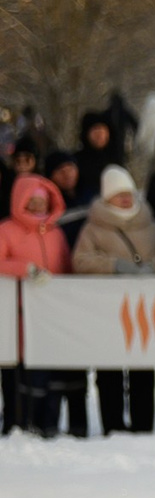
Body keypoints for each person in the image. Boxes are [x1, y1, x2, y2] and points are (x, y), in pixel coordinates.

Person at [72, 166, 155, 432]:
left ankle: (143, 425)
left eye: (128, 193)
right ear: (107, 198)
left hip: (145, 311)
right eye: (119, 195)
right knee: (109, 372)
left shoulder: (149, 224)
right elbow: (80, 261)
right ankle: (113, 425)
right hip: (107, 312)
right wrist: (114, 266)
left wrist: (154, 266)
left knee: (143, 370)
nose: (126, 199)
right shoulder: (94, 228)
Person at [1, 172, 72, 432]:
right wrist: (26, 270)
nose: (38, 205)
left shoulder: (56, 234)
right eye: (32, 199)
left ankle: (47, 423)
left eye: (42, 200)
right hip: (17, 318)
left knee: (48, 374)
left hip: (51, 317)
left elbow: (67, 268)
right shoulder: (7, 230)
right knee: (18, 373)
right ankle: (17, 422)